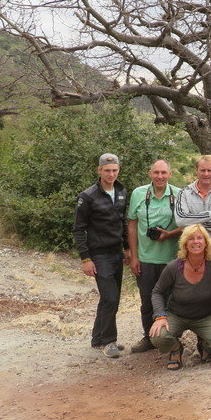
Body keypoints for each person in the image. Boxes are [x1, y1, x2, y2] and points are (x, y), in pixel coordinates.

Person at [149, 224, 211, 370]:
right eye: (191, 238)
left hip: (205, 316)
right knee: (158, 336)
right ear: (185, 244)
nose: (196, 241)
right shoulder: (174, 267)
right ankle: (175, 349)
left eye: (200, 238)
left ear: (206, 242)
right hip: (176, 314)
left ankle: (204, 345)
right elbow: (157, 291)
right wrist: (160, 316)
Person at [73, 153, 130, 358]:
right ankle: (109, 341)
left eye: (114, 170)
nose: (111, 174)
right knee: (110, 298)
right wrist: (85, 259)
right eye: (107, 170)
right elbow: (79, 229)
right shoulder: (87, 196)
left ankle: (97, 339)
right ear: (99, 170)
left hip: (116, 253)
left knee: (108, 299)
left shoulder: (122, 191)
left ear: (118, 170)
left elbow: (122, 222)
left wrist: (127, 248)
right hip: (99, 254)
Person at [127, 160, 183, 354]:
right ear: (150, 173)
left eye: (164, 173)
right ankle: (148, 337)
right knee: (146, 300)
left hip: (171, 257)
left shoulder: (179, 194)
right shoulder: (139, 194)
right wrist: (134, 257)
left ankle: (170, 337)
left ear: (170, 174)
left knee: (172, 299)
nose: (160, 177)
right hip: (146, 257)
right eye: (156, 173)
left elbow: (186, 225)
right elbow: (132, 225)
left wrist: (169, 234)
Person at [174, 155, 211, 256]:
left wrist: (194, 226)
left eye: (209, 170)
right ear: (196, 170)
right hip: (192, 254)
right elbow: (180, 220)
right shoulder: (184, 193)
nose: (206, 174)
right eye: (202, 170)